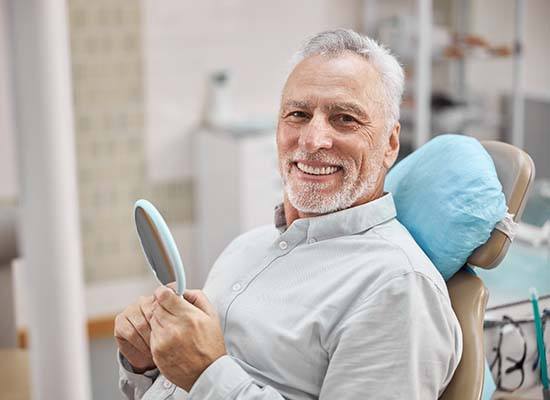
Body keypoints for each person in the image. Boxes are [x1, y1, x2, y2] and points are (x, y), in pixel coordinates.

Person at [115, 28, 462, 400]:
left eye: (344, 118)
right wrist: (146, 365)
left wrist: (208, 374)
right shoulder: (245, 247)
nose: (312, 140)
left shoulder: (396, 287)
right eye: (298, 114)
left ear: (391, 143)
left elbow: (204, 378)